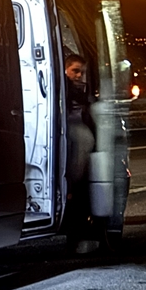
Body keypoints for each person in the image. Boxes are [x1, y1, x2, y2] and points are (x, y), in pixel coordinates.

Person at [64, 52, 97, 251]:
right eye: (75, 71)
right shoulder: (66, 90)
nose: (78, 76)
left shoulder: (78, 92)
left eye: (81, 72)